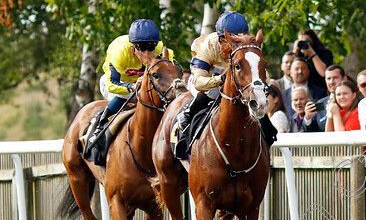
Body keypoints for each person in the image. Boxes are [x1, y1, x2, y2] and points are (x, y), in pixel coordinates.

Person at [172, 11, 277, 159]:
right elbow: (200, 83)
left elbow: (263, 75)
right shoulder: (209, 45)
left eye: (239, 39)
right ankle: (187, 118)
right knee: (212, 93)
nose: (236, 44)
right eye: (231, 40)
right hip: (207, 81)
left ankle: (267, 137)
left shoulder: (249, 44)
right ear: (221, 39)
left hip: (238, 83)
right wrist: (222, 80)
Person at [84, 19, 176, 160]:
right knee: (127, 94)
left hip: (145, 85)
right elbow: (111, 84)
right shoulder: (119, 51)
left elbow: (175, 72)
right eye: (142, 47)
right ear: (132, 46)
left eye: (151, 46)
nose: (147, 53)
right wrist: (132, 87)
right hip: (118, 84)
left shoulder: (161, 49)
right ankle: (99, 127)